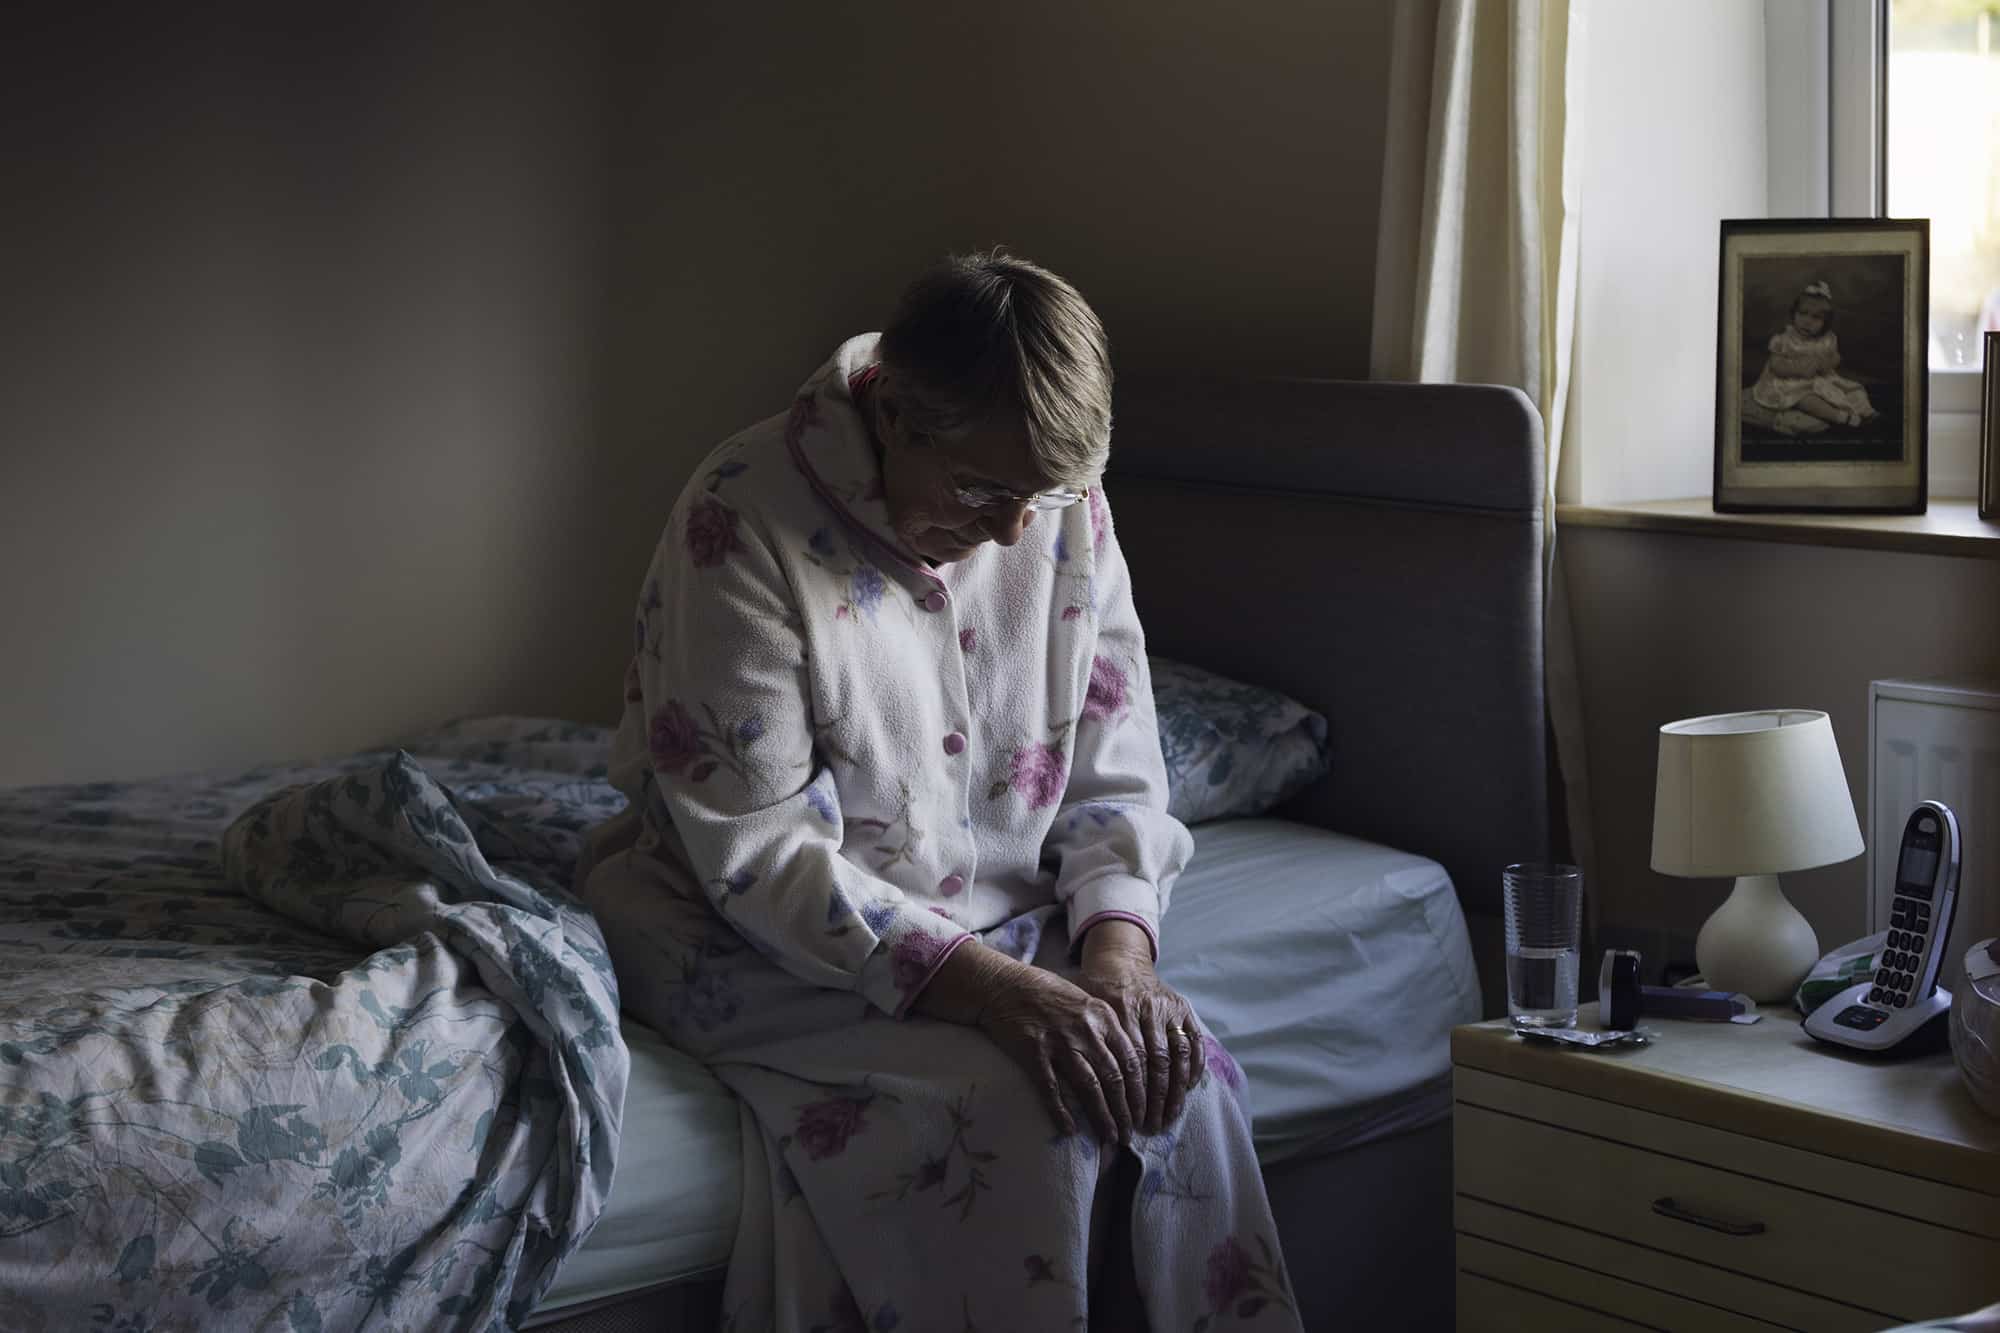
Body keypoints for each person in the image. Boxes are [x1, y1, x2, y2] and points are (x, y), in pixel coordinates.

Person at [577, 251, 1300, 1331]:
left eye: (1042, 497)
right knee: (1019, 1118)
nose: (1014, 530)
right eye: (981, 490)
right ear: (892, 410)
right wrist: (998, 993)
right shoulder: (742, 516)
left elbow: (1115, 764)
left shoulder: (1060, 505)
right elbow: (757, 854)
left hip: (1001, 926)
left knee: (1174, 1078)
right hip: (750, 937)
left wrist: (1117, 964)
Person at [1748, 279, 1879, 434]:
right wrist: (1798, 370)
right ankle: (1840, 417)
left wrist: (1828, 363)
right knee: (1807, 400)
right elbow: (1775, 364)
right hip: (1789, 383)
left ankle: (1866, 411)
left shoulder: (1827, 339)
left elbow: (1835, 357)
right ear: (1793, 314)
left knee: (1851, 389)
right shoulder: (1784, 339)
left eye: (1816, 318)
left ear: (1825, 323)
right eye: (1803, 314)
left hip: (1820, 378)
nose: (1807, 321)